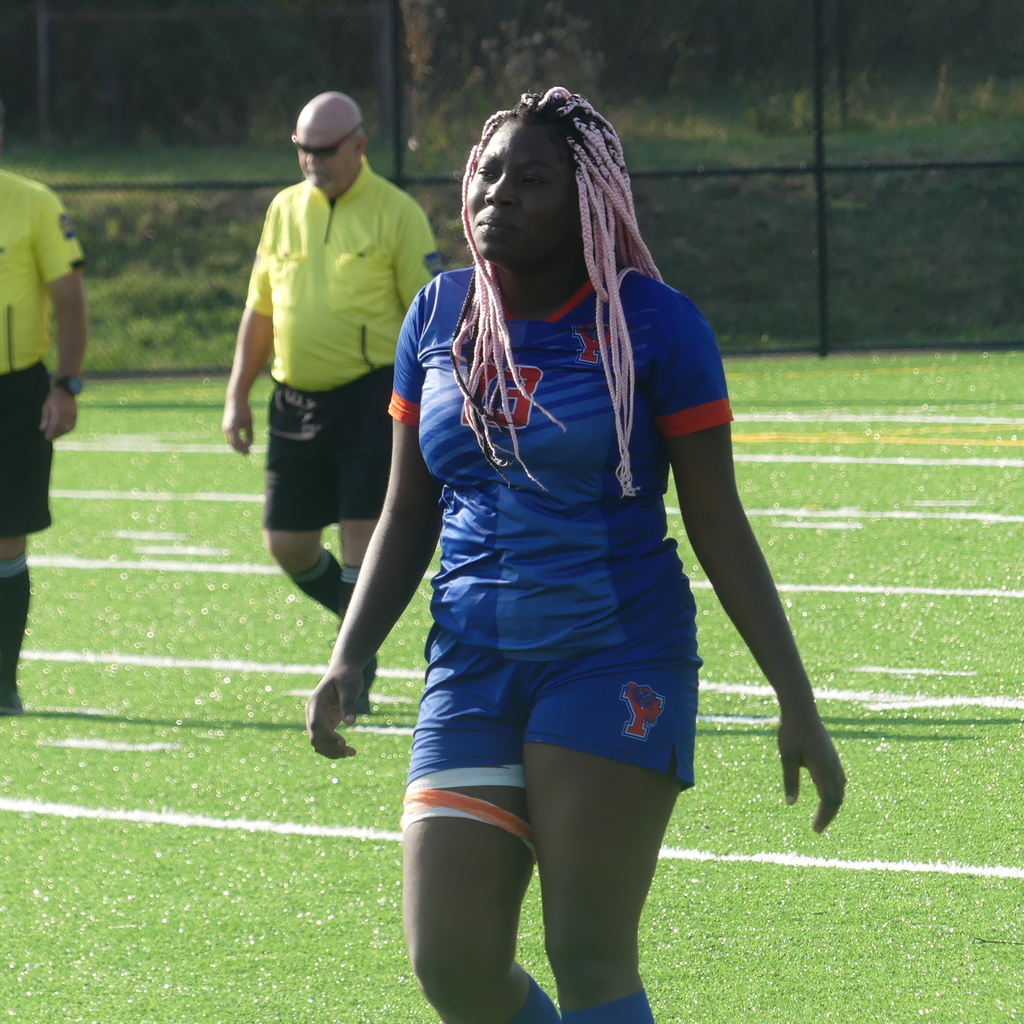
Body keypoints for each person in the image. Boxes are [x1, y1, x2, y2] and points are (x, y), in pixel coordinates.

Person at [306, 88, 846, 1024]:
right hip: (469, 664)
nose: (499, 193)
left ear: (589, 200)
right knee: (452, 964)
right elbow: (406, 507)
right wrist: (349, 652)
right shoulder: (436, 314)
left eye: (534, 179)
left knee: (589, 954)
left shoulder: (656, 324)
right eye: (490, 172)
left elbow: (717, 520)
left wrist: (794, 698)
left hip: (614, 656)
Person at [222, 91, 441, 713]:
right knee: (287, 544)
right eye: (303, 149)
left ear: (359, 145)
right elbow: (261, 308)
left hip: (371, 397)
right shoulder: (282, 209)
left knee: (359, 539)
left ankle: (351, 678)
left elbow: (430, 314)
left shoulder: (397, 213)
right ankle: (363, 627)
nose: (312, 160)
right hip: (293, 400)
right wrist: (237, 394)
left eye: (324, 149)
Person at [0, 97, 89, 716]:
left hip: (15, 394)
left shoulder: (33, 203)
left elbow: (69, 300)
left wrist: (66, 383)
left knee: (7, 538)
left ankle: (2, 682)